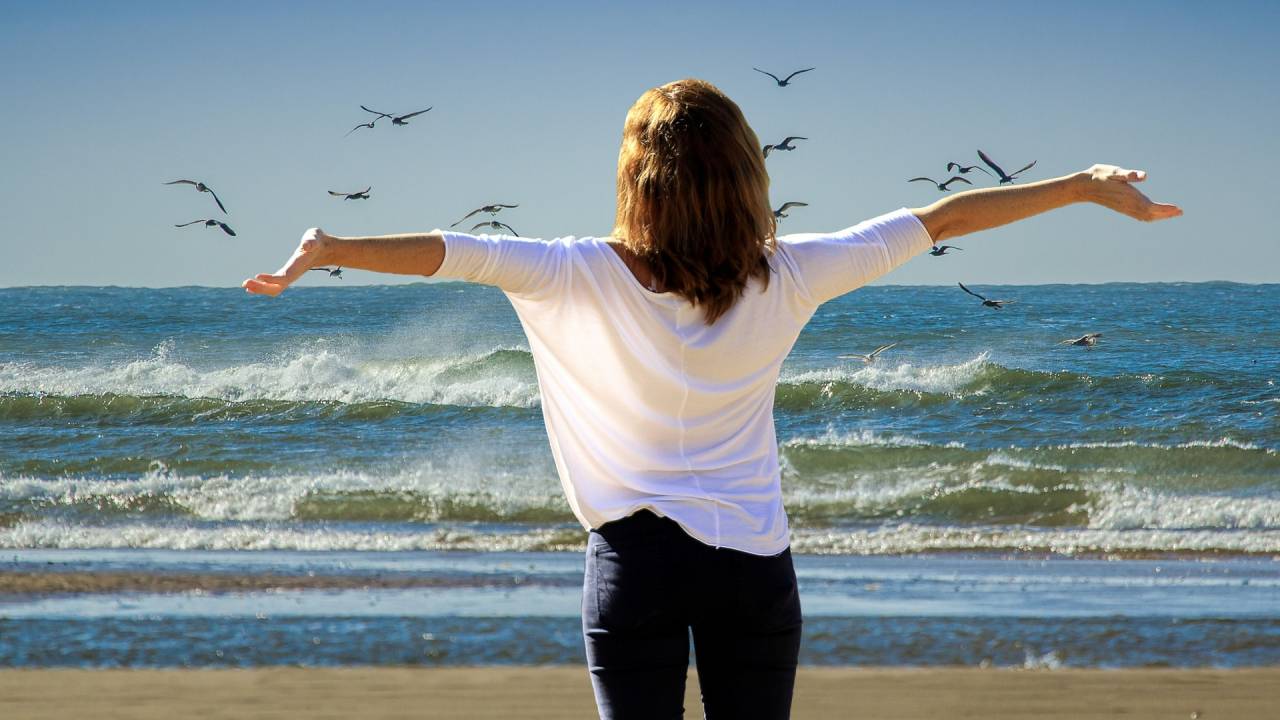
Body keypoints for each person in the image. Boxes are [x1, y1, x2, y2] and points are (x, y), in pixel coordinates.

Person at [243, 78, 1180, 719]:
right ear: (748, 176)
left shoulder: (568, 274)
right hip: (753, 568)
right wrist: (1087, 188)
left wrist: (329, 247)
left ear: (633, 181)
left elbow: (450, 249)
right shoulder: (796, 272)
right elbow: (943, 218)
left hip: (632, 566)